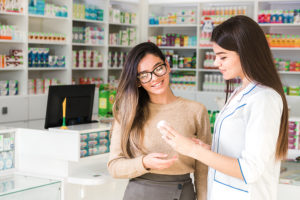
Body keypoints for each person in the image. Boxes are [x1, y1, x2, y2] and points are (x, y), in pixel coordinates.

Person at [159, 15, 289, 200]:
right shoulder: (240, 93)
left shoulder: (264, 98)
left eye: (223, 57)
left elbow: (249, 170)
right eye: (215, 56)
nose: (215, 63)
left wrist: (194, 151)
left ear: (246, 53)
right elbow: (239, 149)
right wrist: (210, 149)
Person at [107, 42, 211, 200]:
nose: (154, 78)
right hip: (138, 194)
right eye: (144, 74)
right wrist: (144, 163)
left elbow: (203, 169)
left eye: (158, 68)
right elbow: (114, 167)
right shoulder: (127, 113)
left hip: (183, 192)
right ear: (138, 81)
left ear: (167, 66)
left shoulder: (196, 110)